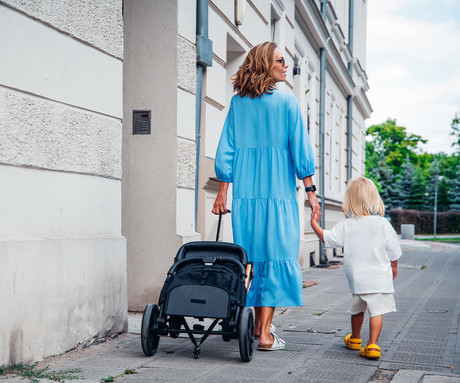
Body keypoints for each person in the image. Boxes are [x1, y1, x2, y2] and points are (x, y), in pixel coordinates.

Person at [212, 41, 321, 351]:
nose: (285, 66)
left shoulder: (238, 104)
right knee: (275, 258)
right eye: (279, 61)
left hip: (246, 196)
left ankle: (263, 328)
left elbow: (226, 151)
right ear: (264, 65)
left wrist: (223, 194)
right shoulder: (288, 104)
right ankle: (262, 335)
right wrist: (311, 193)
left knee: (254, 261)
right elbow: (301, 151)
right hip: (280, 196)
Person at [310, 176, 401, 359]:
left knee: (357, 309)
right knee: (377, 311)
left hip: (359, 279)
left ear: (350, 200)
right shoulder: (383, 224)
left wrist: (313, 224)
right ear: (374, 198)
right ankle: (373, 345)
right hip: (379, 278)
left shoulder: (347, 225)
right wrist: (394, 267)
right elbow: (394, 250)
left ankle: (356, 339)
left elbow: (327, 238)